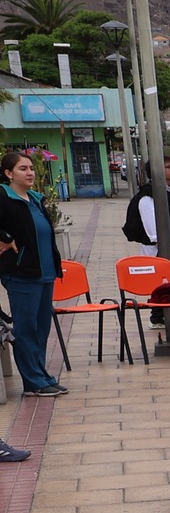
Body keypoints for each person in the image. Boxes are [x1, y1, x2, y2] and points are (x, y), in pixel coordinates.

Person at [0, 150, 66, 397]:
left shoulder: (35, 198)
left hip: (44, 273)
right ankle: (33, 381)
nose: (29, 172)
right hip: (21, 274)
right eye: (22, 169)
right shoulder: (3, 197)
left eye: (30, 168)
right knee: (26, 328)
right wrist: (6, 238)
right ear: (8, 173)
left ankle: (41, 375)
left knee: (40, 328)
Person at [123, 163, 170, 261]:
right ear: (156, 171)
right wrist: (166, 247)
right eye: (168, 167)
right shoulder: (149, 193)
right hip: (158, 251)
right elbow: (150, 224)